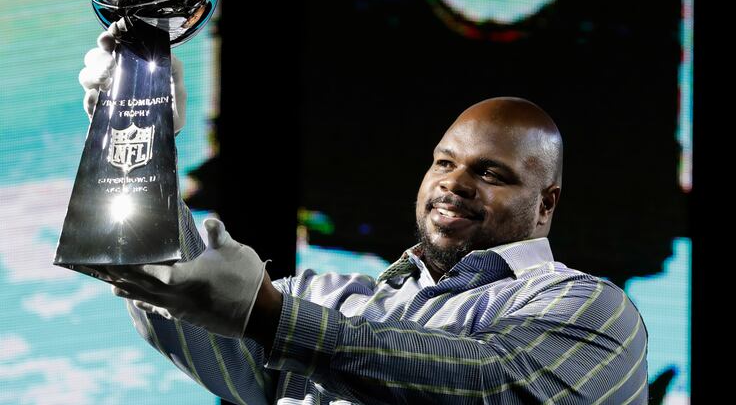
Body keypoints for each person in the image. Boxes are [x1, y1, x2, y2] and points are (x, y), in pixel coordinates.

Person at [79, 22, 649, 404]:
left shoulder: (593, 310)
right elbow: (162, 285)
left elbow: (491, 386)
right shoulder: (329, 299)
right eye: (443, 163)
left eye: (490, 173)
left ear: (546, 204)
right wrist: (136, 136)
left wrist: (273, 318)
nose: (454, 184)